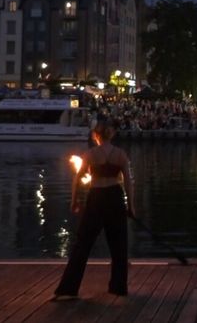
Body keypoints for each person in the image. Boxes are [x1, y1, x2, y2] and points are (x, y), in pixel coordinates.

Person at [52, 121, 135, 300]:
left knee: (82, 244)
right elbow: (128, 182)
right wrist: (131, 206)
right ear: (111, 135)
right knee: (119, 246)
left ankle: (68, 288)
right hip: (115, 198)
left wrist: (74, 201)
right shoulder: (120, 155)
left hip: (96, 198)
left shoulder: (90, 154)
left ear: (96, 136)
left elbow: (77, 179)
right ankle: (118, 287)